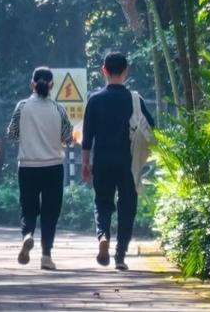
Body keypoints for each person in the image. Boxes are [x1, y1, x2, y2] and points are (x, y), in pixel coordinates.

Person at [80, 52, 154, 272]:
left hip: (102, 161)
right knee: (127, 207)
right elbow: (150, 127)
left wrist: (86, 163)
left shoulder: (94, 99)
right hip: (128, 163)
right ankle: (120, 256)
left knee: (102, 203)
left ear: (104, 71)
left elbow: (87, 136)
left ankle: (103, 236)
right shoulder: (135, 99)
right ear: (126, 72)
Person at [7, 65, 72, 270]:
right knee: (50, 212)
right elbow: (67, 137)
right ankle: (46, 256)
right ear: (52, 85)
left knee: (28, 208)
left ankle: (27, 235)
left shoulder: (22, 106)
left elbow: (12, 134)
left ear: (32, 84)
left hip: (27, 166)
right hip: (53, 167)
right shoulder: (59, 109)